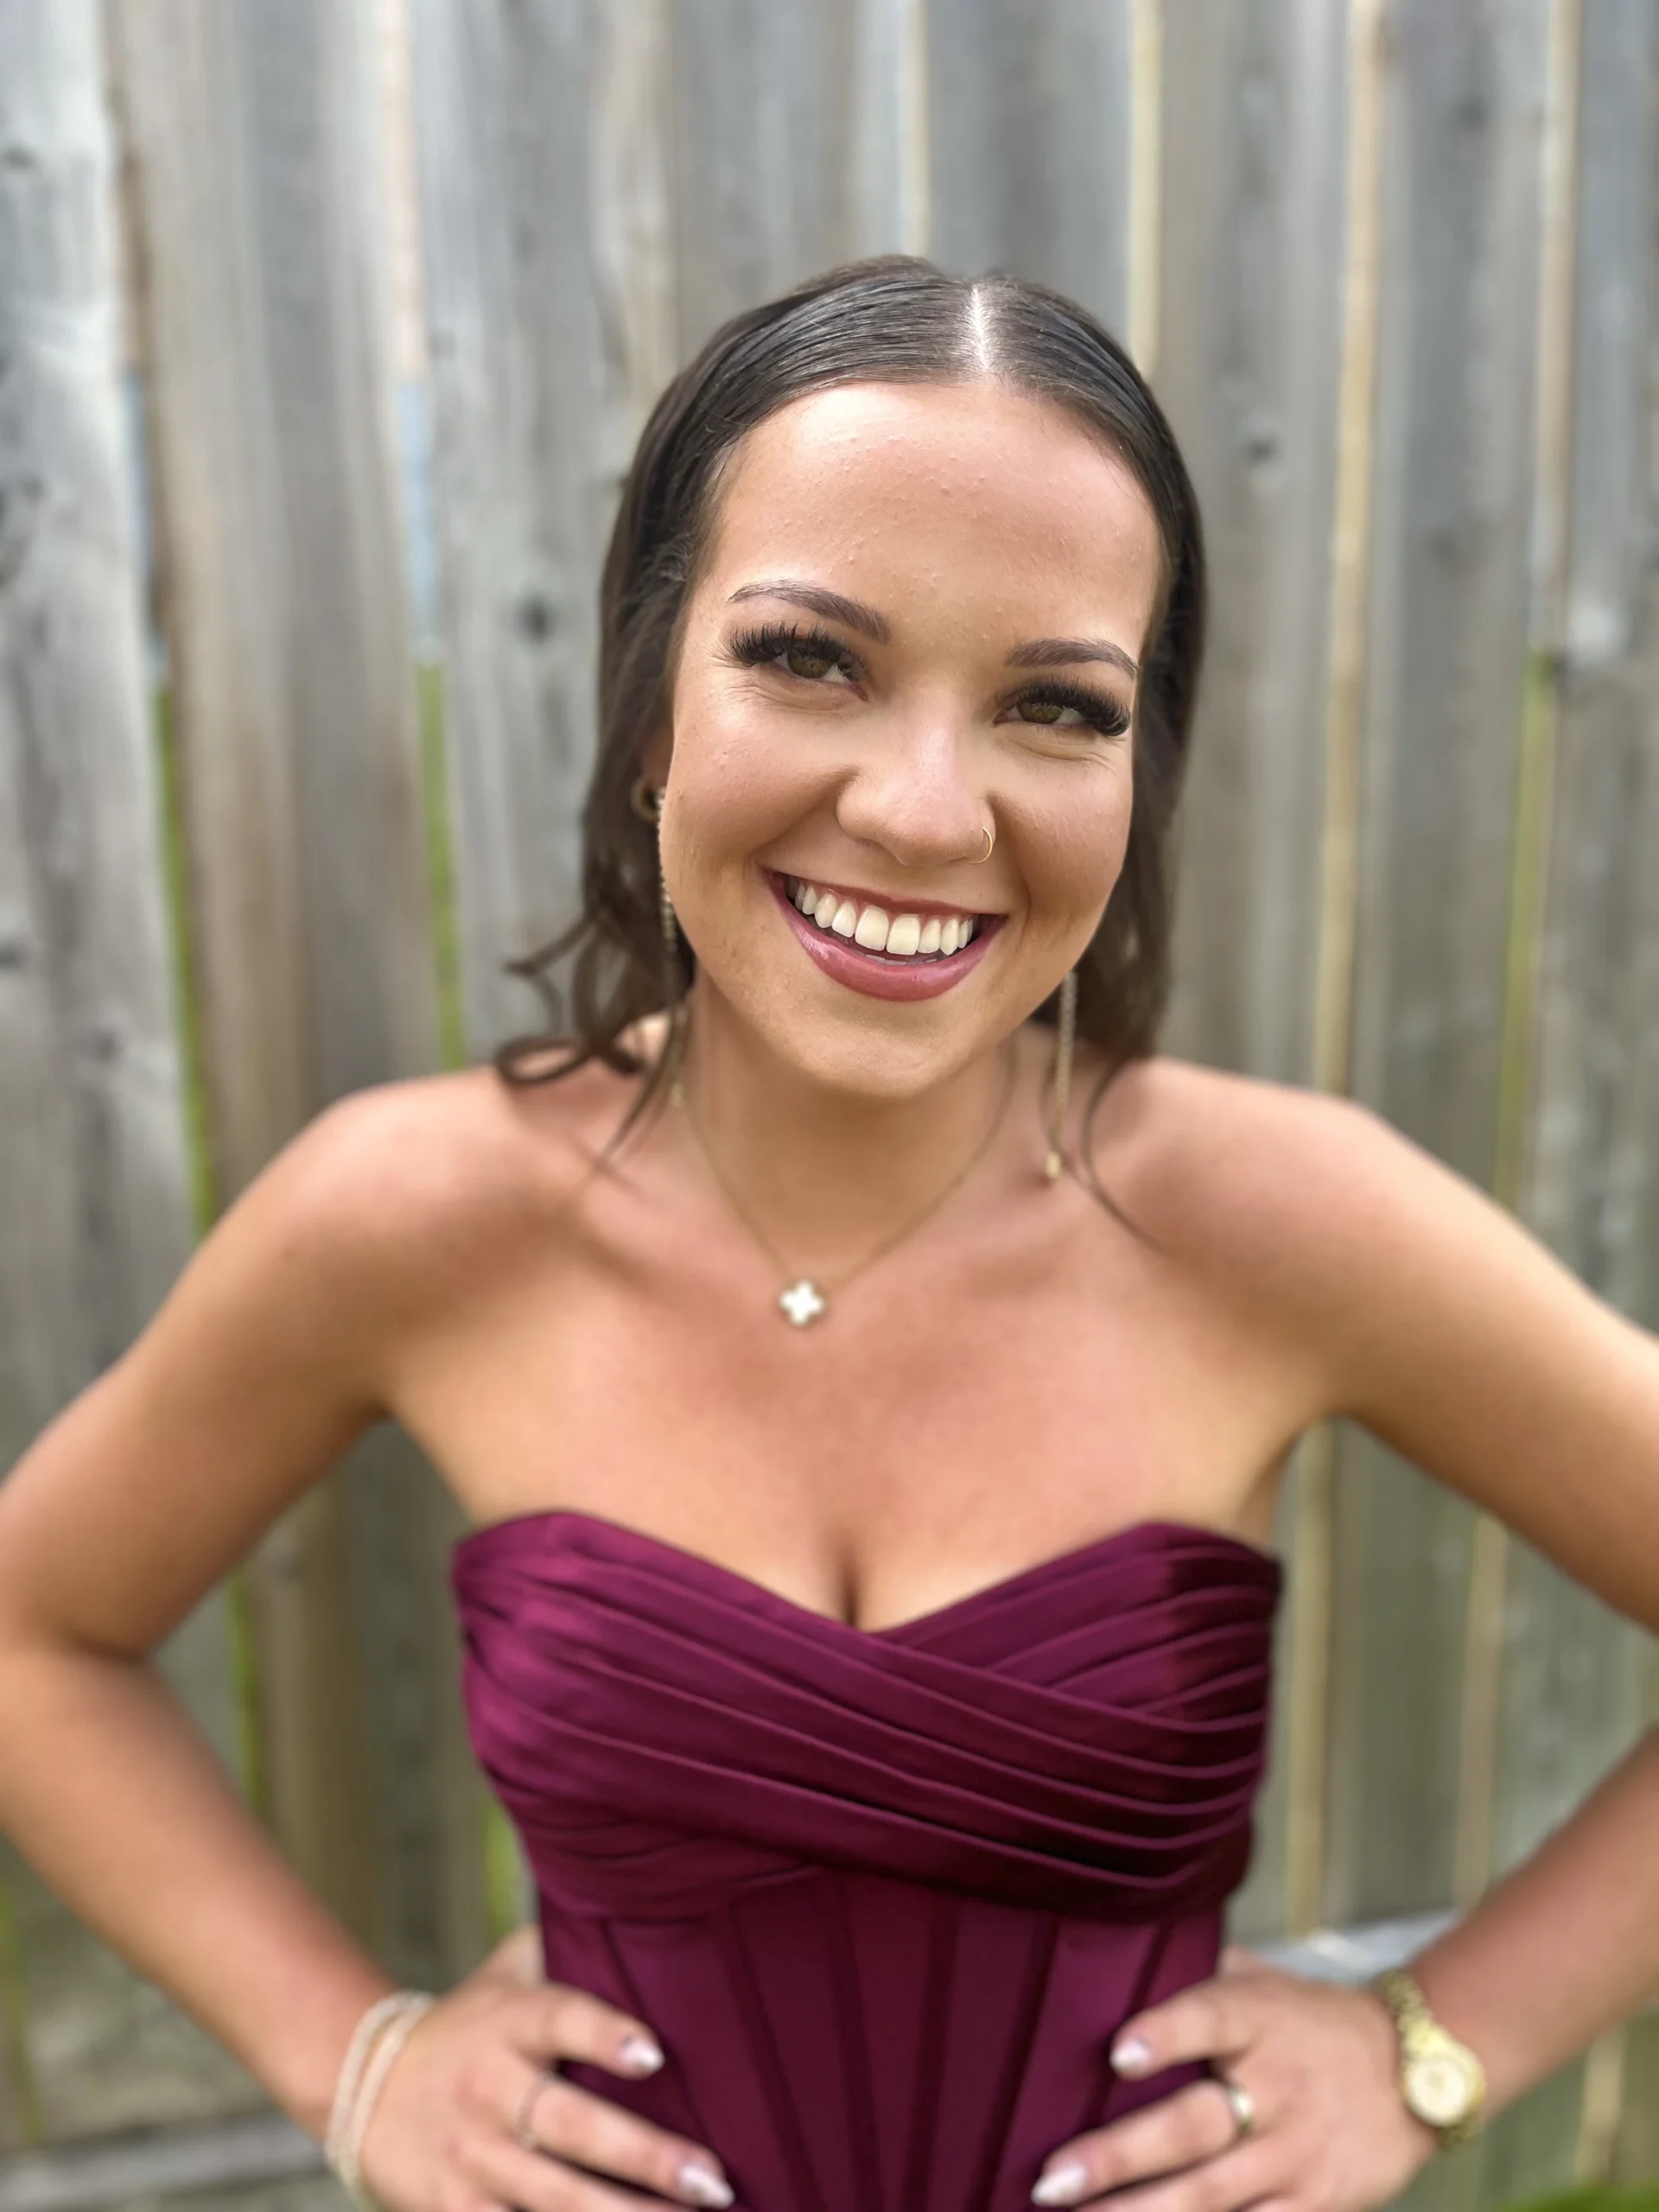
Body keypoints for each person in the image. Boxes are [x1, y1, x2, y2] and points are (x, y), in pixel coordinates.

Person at [0, 255, 1656, 2212]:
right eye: (810, 658)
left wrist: (1430, 2042)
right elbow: (36, 1634)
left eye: (1056, 704)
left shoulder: (1278, 1218)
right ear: (651, 706)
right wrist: (352, 2059)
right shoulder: (416, 1215)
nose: (927, 810)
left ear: (1136, 773)